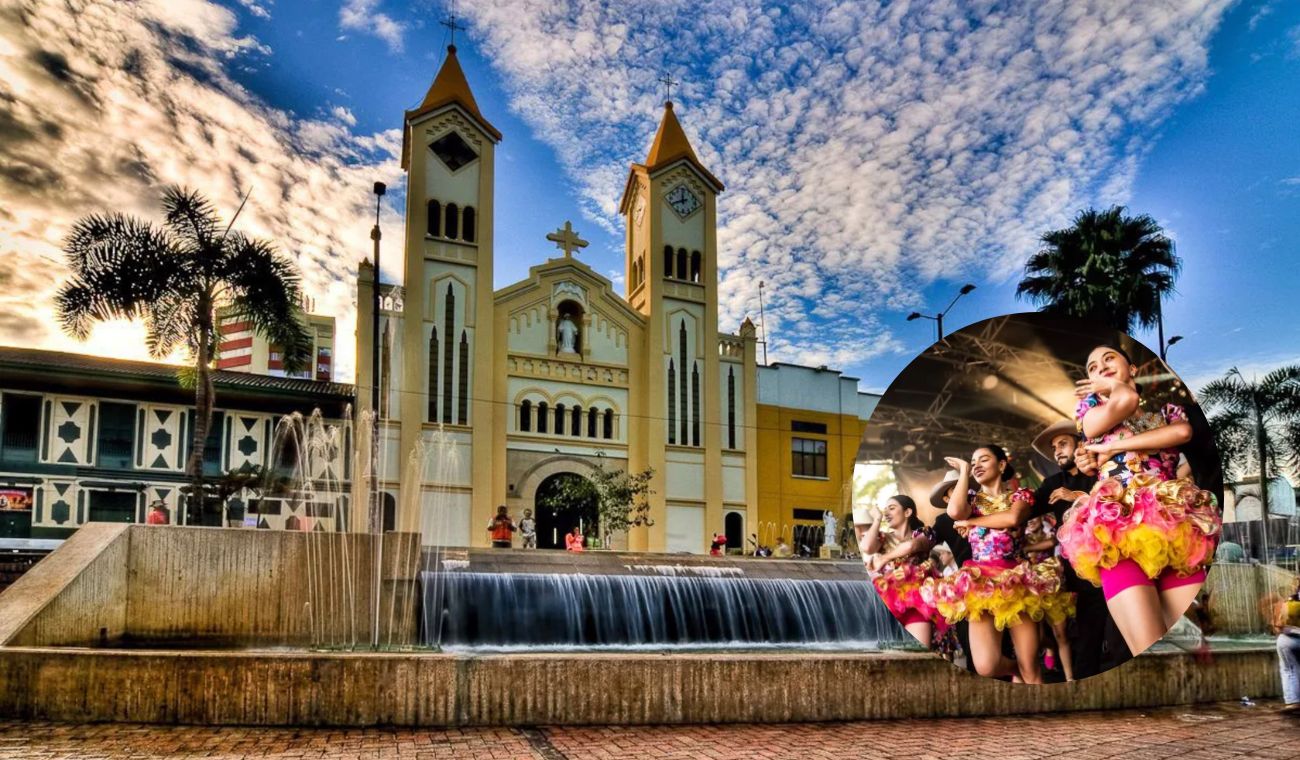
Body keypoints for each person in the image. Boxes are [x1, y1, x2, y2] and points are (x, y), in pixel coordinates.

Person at [1057, 344, 1222, 657]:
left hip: (1173, 522)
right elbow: (1127, 399)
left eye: (1109, 359)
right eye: (1092, 368)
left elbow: (1181, 433)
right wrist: (1114, 388)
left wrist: (1115, 448)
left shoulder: (1166, 413)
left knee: (1198, 648)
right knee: (1149, 645)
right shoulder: (1090, 415)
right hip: (1115, 524)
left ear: (1133, 369)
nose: (1100, 368)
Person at [934, 445, 1047, 683]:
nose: (977, 465)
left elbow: (1013, 518)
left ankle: (1034, 693)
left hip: (1016, 581)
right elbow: (954, 511)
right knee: (986, 666)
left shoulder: (1021, 495)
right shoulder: (972, 500)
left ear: (1002, 465)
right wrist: (964, 471)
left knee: (1031, 668)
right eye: (973, 461)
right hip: (979, 583)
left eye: (984, 460)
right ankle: (1016, 669)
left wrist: (972, 521)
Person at [1030, 419, 1122, 679]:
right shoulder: (1051, 484)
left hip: (1116, 562)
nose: (1057, 451)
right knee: (1087, 638)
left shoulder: (1103, 469)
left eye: (1063, 444)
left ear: (1080, 444)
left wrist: (1078, 497)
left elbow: (1121, 497)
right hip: (1080, 574)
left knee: (1120, 636)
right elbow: (1024, 511)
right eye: (1054, 447)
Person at [860, 495, 945, 648]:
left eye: (892, 508)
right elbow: (866, 547)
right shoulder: (883, 538)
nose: (886, 513)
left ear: (907, 512)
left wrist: (884, 558)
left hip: (917, 603)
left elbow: (911, 546)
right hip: (887, 601)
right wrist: (877, 519)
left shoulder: (925, 533)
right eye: (885, 510)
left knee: (919, 653)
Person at [1023, 514, 1077, 681]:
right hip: (1030, 591)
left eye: (1034, 516)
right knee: (1037, 639)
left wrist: (1026, 549)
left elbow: (1052, 543)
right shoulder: (1020, 535)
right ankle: (1050, 647)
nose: (1030, 519)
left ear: (1041, 517)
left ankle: (1070, 678)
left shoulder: (1051, 533)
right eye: (1027, 518)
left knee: (1061, 635)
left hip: (1053, 589)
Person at [1273, 575, 1300, 713]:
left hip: (1289, 641)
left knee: (1289, 669)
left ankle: (1293, 701)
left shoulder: (1290, 602)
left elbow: (1278, 625)